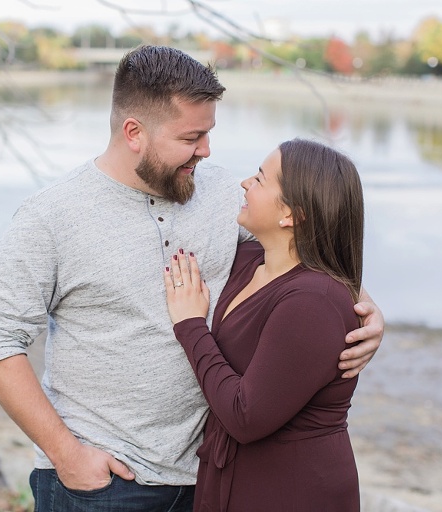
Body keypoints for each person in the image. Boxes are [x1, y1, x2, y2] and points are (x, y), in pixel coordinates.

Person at [0, 45, 383, 512]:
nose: (206, 150)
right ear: (134, 133)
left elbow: (305, 258)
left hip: (211, 479)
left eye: (208, 134)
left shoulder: (224, 194)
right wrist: (68, 456)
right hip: (104, 485)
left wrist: (366, 311)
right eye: (191, 137)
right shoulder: (52, 217)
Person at [164, 138, 365, 511]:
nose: (244, 183)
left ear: (291, 213)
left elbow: (246, 416)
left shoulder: (313, 303)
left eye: (259, 178)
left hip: (291, 492)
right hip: (232, 481)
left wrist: (191, 326)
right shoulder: (247, 260)